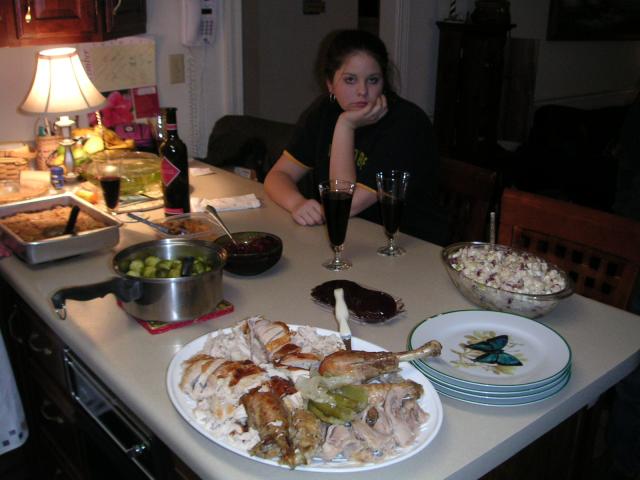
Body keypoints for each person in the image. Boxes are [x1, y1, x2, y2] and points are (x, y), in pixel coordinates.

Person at [264, 29, 448, 245]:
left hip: (409, 244)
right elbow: (278, 175)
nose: (362, 91)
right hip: (352, 238)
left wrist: (345, 125)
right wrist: (297, 203)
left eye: (373, 80)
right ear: (330, 84)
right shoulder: (325, 111)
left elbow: (343, 205)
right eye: (350, 80)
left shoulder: (407, 123)